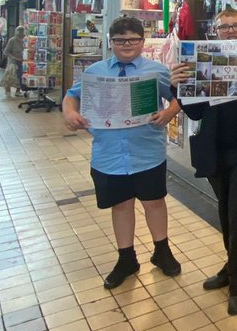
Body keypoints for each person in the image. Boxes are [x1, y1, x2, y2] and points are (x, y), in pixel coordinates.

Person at [62, 16, 184, 290]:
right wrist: (70, 113)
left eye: (132, 39)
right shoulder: (95, 72)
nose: (126, 45)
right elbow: (72, 95)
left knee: (154, 202)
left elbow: (179, 96)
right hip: (108, 155)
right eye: (120, 40)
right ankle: (126, 257)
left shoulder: (157, 70)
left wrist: (167, 113)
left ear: (142, 42)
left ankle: (162, 251)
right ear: (111, 42)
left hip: (148, 153)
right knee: (121, 205)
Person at [170, 9, 237, 314]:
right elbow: (197, 113)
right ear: (214, 32)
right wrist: (179, 86)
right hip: (215, 149)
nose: (229, 31)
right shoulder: (202, 62)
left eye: (235, 26)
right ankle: (232, 267)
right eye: (222, 27)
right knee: (226, 212)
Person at [0, 26, 27, 97]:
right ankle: (7, 90)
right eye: (19, 31)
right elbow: (6, 51)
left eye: (22, 31)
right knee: (10, 76)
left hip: (22, 61)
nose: (21, 33)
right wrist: (14, 57)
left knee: (20, 76)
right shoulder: (12, 40)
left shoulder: (25, 40)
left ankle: (18, 90)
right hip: (13, 61)